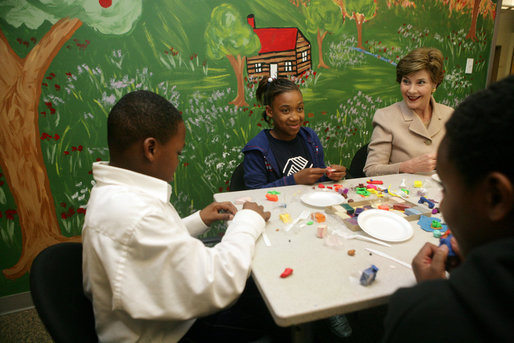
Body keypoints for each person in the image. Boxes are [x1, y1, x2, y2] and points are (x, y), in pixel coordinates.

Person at [82, 90, 279, 342]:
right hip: (167, 334)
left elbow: (151, 244)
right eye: (178, 153)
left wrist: (199, 219)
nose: (177, 162)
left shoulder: (113, 195)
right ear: (151, 148)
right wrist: (248, 220)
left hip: (158, 312)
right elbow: (220, 282)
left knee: (257, 293)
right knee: (268, 311)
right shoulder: (136, 214)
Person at [382, 76, 514, 342]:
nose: (441, 205)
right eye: (406, 81)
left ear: (496, 198)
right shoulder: (387, 117)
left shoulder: (424, 315)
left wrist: (432, 297)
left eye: (447, 190)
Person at [242, 77, 346, 189]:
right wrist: (295, 180)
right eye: (285, 110)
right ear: (270, 111)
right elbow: (255, 194)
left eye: (300, 108)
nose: (295, 117)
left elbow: (319, 178)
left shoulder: (310, 137)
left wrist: (332, 175)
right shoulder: (257, 150)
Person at [364, 47, 453, 177]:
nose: (411, 90)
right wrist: (407, 167)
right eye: (406, 81)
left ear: (434, 84)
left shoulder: (450, 115)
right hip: (400, 195)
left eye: (420, 83)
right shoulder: (385, 117)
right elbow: (371, 170)